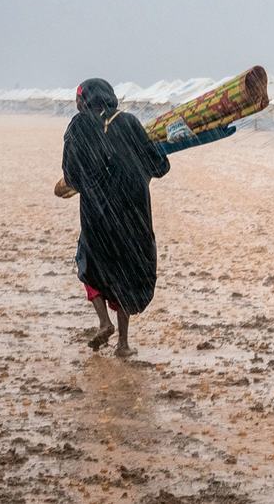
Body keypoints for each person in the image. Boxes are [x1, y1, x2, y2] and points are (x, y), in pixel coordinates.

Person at [56, 78, 170, 357]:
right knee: (126, 270)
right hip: (132, 213)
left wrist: (93, 182)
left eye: (78, 98)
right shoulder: (128, 122)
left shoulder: (79, 127)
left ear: (85, 99)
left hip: (97, 214)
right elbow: (158, 165)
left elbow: (72, 175)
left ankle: (104, 322)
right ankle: (123, 344)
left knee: (88, 262)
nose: (76, 103)